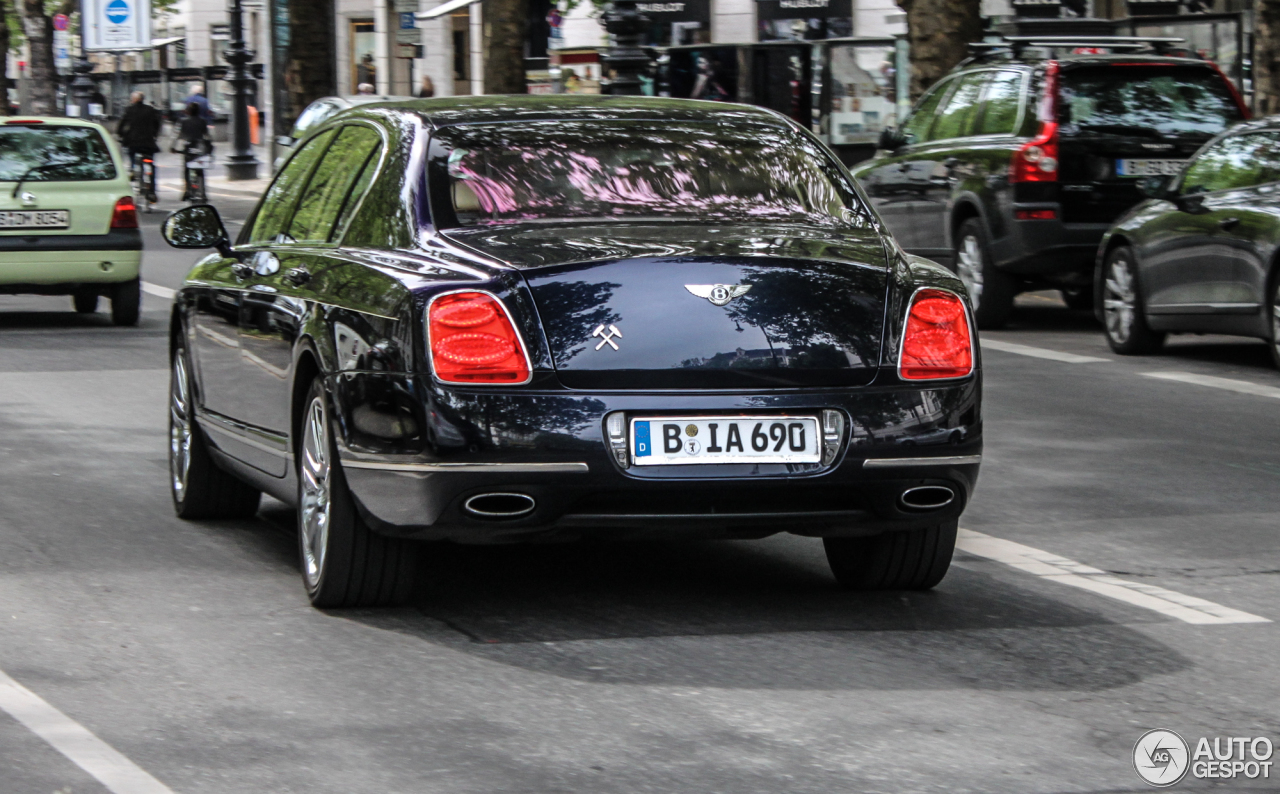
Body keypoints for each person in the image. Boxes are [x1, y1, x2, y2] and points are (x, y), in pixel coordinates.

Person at [116, 92, 162, 178]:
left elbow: (122, 124)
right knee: (150, 159)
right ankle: (151, 179)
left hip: (133, 141)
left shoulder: (129, 110)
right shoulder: (150, 109)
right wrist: (155, 134)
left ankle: (133, 168)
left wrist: (120, 134)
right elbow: (157, 123)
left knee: (131, 153)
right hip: (148, 141)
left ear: (134, 100)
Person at [175, 103, 211, 202]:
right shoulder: (202, 121)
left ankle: (187, 190)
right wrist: (209, 147)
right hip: (200, 149)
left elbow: (177, 136)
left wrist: (173, 147)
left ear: (188, 111)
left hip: (189, 149)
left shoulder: (183, 121)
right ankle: (203, 192)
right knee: (200, 169)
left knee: (187, 169)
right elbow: (207, 136)